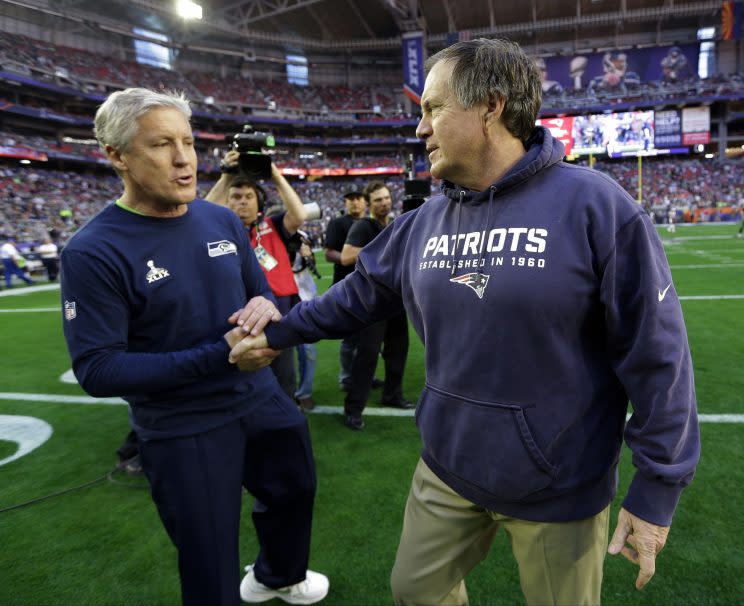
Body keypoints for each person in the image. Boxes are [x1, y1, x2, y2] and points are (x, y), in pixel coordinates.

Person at [229, 39, 700, 605]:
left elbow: (657, 353)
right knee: (414, 592)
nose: (420, 128)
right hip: (447, 468)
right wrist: (277, 332)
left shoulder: (596, 206)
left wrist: (657, 487)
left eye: (432, 109)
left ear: (491, 107)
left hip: (560, 484)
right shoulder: (423, 220)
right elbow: (353, 298)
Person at [60, 87, 328, 606]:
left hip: (260, 397)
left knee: (295, 491)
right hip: (183, 425)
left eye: (188, 142)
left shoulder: (222, 218)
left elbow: (264, 291)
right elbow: (97, 369)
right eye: (162, 145)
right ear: (117, 155)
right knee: (208, 556)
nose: (184, 160)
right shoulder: (92, 250)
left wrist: (266, 308)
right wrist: (220, 354)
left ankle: (276, 576)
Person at [206, 150, 308, 399]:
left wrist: (273, 173)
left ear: (258, 202)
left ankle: (287, 410)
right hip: (238, 313)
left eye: (248, 196)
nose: (242, 201)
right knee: (241, 374)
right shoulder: (216, 230)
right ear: (227, 202)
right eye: (236, 197)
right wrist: (226, 178)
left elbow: (299, 215)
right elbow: (203, 211)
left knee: (283, 373)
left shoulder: (272, 226)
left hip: (279, 309)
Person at [338, 180, 413, 430]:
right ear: (369, 205)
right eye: (378, 200)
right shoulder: (363, 225)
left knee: (398, 350)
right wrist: (381, 249)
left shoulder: (391, 224)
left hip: (395, 299)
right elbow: (347, 256)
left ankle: (392, 395)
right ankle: (353, 408)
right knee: (367, 355)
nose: (384, 203)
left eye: (386, 198)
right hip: (372, 301)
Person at [324, 191, 368, 391]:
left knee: (368, 338)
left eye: (359, 199)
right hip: (347, 285)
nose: (356, 203)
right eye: (351, 199)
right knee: (350, 337)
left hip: (370, 286)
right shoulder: (338, 223)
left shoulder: (370, 223)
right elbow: (329, 253)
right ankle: (346, 377)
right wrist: (348, 256)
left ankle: (365, 374)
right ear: (345, 203)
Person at [292, 229, 320, 411]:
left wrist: (307, 254)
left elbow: (310, 264)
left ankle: (304, 392)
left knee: (308, 350)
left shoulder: (301, 234)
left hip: (304, 298)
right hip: (278, 297)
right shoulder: (264, 235)